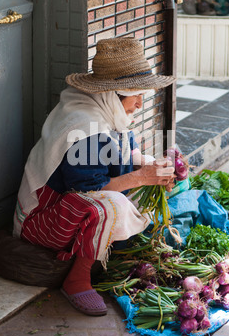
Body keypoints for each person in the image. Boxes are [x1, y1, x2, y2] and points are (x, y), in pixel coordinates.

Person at [13, 37, 176, 316]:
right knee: (112, 205)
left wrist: (155, 167)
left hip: (68, 213)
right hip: (41, 222)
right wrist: (142, 177)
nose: (139, 103)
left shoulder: (106, 112)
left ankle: (97, 250)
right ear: (113, 94)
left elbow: (131, 155)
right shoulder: (86, 127)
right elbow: (91, 192)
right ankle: (77, 279)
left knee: (136, 189)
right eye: (134, 95)